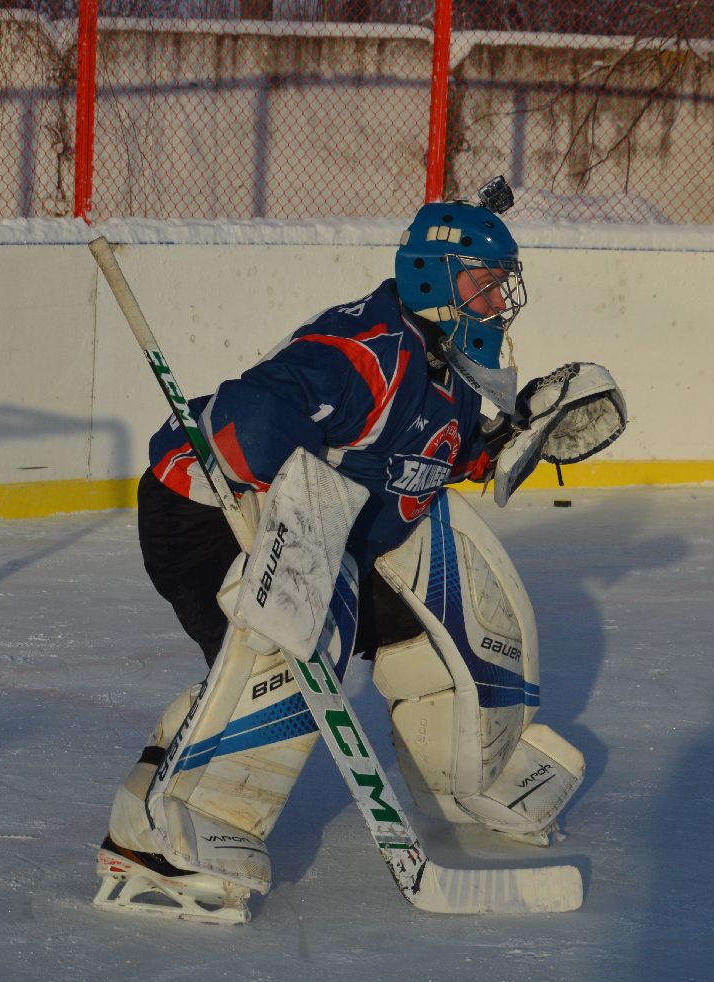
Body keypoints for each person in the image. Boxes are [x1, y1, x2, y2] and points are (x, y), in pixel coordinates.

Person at [95, 179, 628, 925]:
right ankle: (166, 831)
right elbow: (255, 411)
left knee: (441, 638)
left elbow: (434, 455)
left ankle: (469, 782)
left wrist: (507, 440)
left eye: (501, 285)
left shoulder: (446, 369)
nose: (497, 302)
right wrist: (272, 474)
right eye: (482, 284)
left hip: (339, 533)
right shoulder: (365, 351)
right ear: (432, 279)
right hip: (208, 511)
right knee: (286, 650)